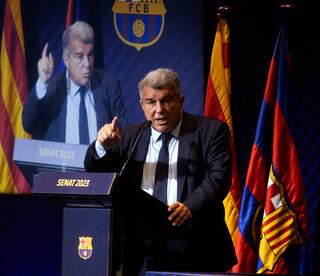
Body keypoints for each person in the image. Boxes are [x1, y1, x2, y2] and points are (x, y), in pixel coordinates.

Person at [84, 68, 237, 275]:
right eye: (151, 102)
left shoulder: (210, 131)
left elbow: (219, 177)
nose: (159, 110)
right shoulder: (129, 136)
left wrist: (189, 206)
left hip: (196, 248)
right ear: (142, 105)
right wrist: (101, 145)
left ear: (181, 101)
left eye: (166, 100)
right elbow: (95, 171)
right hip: (141, 252)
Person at [22, 21, 127, 144]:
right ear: (66, 60)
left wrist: (115, 134)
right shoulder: (51, 88)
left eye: (90, 55)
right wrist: (42, 83)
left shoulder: (109, 83)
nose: (87, 64)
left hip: (100, 163)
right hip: (59, 162)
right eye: (79, 56)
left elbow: (123, 130)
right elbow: (28, 125)